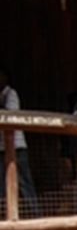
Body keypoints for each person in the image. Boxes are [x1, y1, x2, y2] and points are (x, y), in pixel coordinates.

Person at [0, 69, 39, 217]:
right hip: (2, 148)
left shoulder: (11, 94)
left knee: (24, 183)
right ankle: (5, 214)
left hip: (17, 147)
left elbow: (10, 115)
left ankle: (35, 215)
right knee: (2, 185)